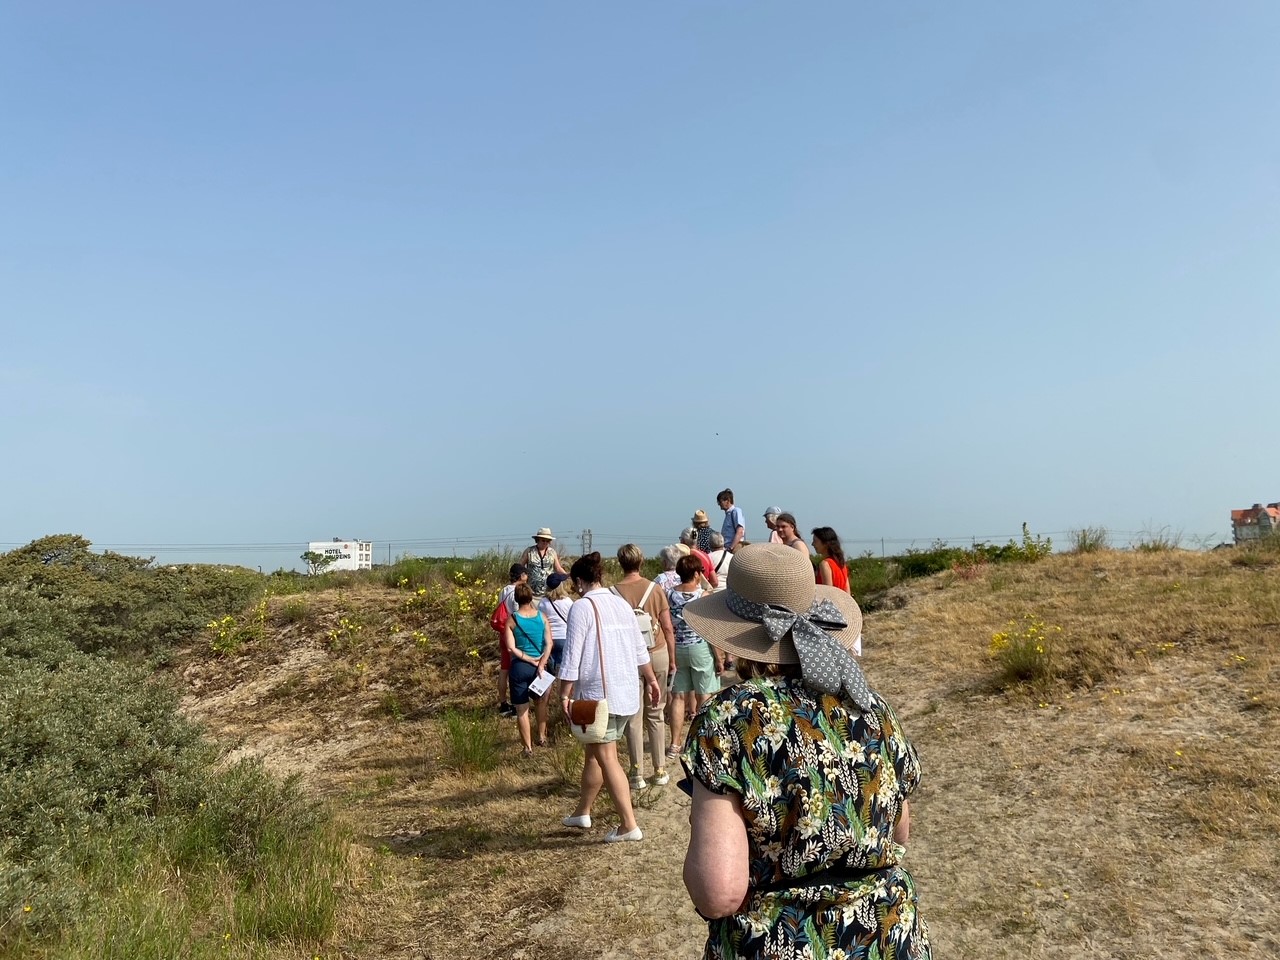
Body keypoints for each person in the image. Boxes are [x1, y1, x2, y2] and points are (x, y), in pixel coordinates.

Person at [679, 545, 931, 959]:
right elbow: (899, 830)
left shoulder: (728, 717)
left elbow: (719, 892)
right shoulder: (870, 705)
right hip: (890, 939)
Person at [558, 552, 662, 842]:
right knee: (594, 753)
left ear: (580, 581)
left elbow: (572, 656)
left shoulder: (581, 608)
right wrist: (651, 680)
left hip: (599, 696)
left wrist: (564, 694)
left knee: (606, 755)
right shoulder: (620, 603)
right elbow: (640, 648)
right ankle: (583, 812)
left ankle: (629, 825)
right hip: (626, 690)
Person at [613, 544, 676, 790]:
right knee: (656, 712)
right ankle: (659, 768)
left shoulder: (613, 592)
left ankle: (636, 771)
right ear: (640, 562)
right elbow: (668, 627)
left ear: (620, 563)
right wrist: (672, 658)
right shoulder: (655, 589)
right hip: (656, 652)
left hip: (629, 657)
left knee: (633, 716)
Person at [665, 554, 719, 762]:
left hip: (677, 648)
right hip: (699, 647)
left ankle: (675, 743)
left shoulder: (669, 594)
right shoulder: (703, 595)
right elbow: (710, 628)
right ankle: (702, 740)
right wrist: (719, 658)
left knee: (678, 697)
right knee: (703, 695)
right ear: (697, 573)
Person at [502, 583, 553, 755]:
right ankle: (542, 737)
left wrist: (527, 658)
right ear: (531, 597)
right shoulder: (542, 617)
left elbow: (510, 648)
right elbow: (549, 643)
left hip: (520, 666)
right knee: (540, 702)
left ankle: (527, 747)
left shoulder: (512, 619)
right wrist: (541, 662)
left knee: (522, 709)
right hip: (541, 667)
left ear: (515, 599)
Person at [493, 563, 528, 718]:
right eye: (525, 575)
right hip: (513, 634)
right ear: (521, 576)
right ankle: (516, 705)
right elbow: (516, 615)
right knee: (515, 670)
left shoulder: (504, 590)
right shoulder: (516, 592)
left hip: (502, 633)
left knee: (504, 669)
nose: (527, 577)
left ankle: (503, 703)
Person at [538, 572, 574, 672]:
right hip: (564, 637)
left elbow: (540, 621)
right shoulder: (568, 601)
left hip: (549, 639)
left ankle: (548, 687)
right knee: (563, 671)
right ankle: (560, 688)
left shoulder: (543, 602)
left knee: (548, 672)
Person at [522, 528, 567, 598]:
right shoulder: (529, 551)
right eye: (543, 540)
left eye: (548, 541)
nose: (545, 543)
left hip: (548, 593)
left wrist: (567, 575)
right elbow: (520, 567)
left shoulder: (552, 552)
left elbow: (558, 568)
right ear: (538, 540)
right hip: (531, 593)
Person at [811, 526, 851, 592]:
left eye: (815, 541)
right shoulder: (841, 563)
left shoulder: (825, 564)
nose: (812, 544)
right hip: (842, 600)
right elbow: (847, 591)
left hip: (832, 600)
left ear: (825, 543)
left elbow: (828, 592)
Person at [718, 488, 746, 553]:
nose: (719, 504)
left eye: (720, 501)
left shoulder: (735, 511)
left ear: (728, 500)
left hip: (734, 548)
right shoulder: (728, 514)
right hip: (728, 548)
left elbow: (740, 531)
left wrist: (731, 547)